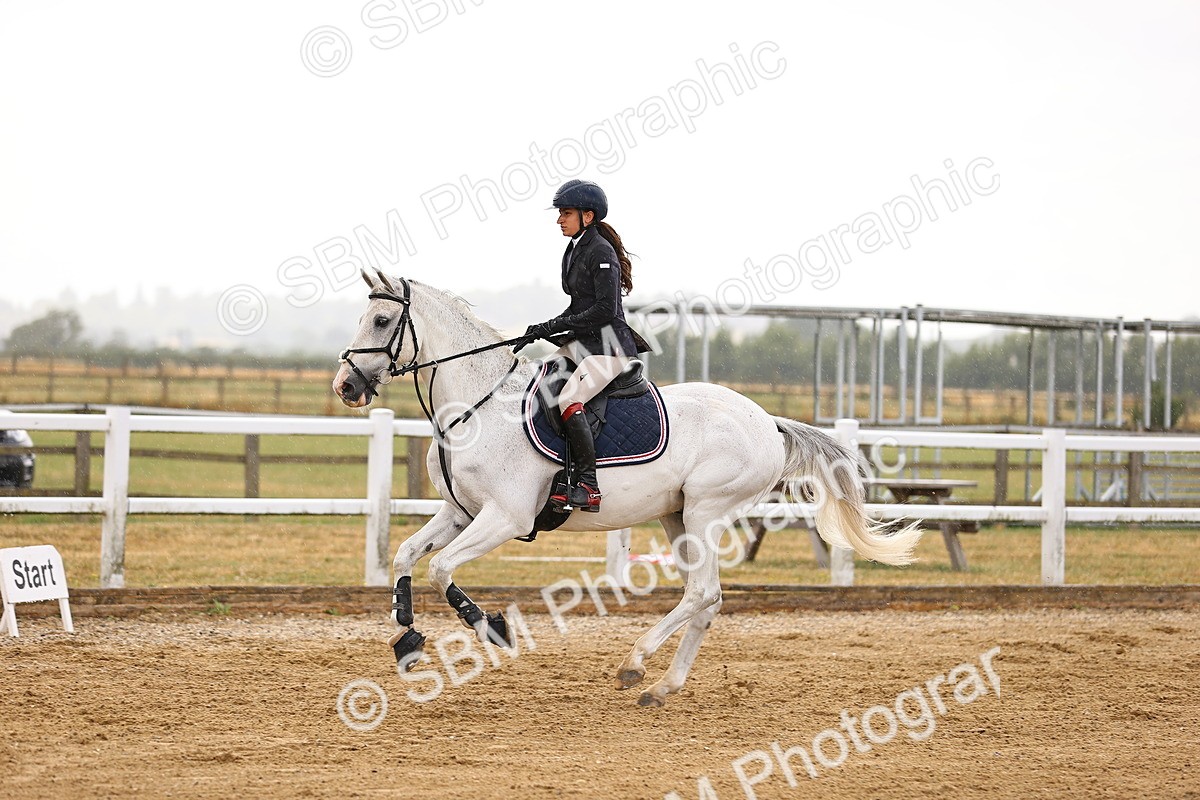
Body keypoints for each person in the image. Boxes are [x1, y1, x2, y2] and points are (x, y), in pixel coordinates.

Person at [524, 179, 646, 513]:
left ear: (587, 216)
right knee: (539, 379)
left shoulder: (601, 252)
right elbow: (578, 308)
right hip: (585, 343)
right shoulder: (574, 249)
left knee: (568, 398)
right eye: (560, 214)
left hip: (609, 347)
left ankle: (589, 485)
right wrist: (544, 328)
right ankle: (558, 474)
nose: (559, 220)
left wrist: (556, 325)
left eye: (566, 213)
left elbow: (605, 311)